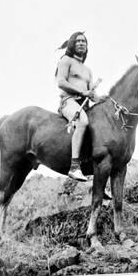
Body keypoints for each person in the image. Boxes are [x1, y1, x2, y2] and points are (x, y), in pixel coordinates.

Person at [55, 31, 99, 181]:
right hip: (69, 102)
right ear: (72, 44)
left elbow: (92, 95)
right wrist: (82, 92)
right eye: (78, 41)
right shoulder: (66, 60)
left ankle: (97, 172)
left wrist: (101, 98)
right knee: (83, 121)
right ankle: (74, 167)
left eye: (84, 41)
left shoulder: (88, 70)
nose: (81, 43)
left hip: (84, 105)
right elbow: (60, 82)